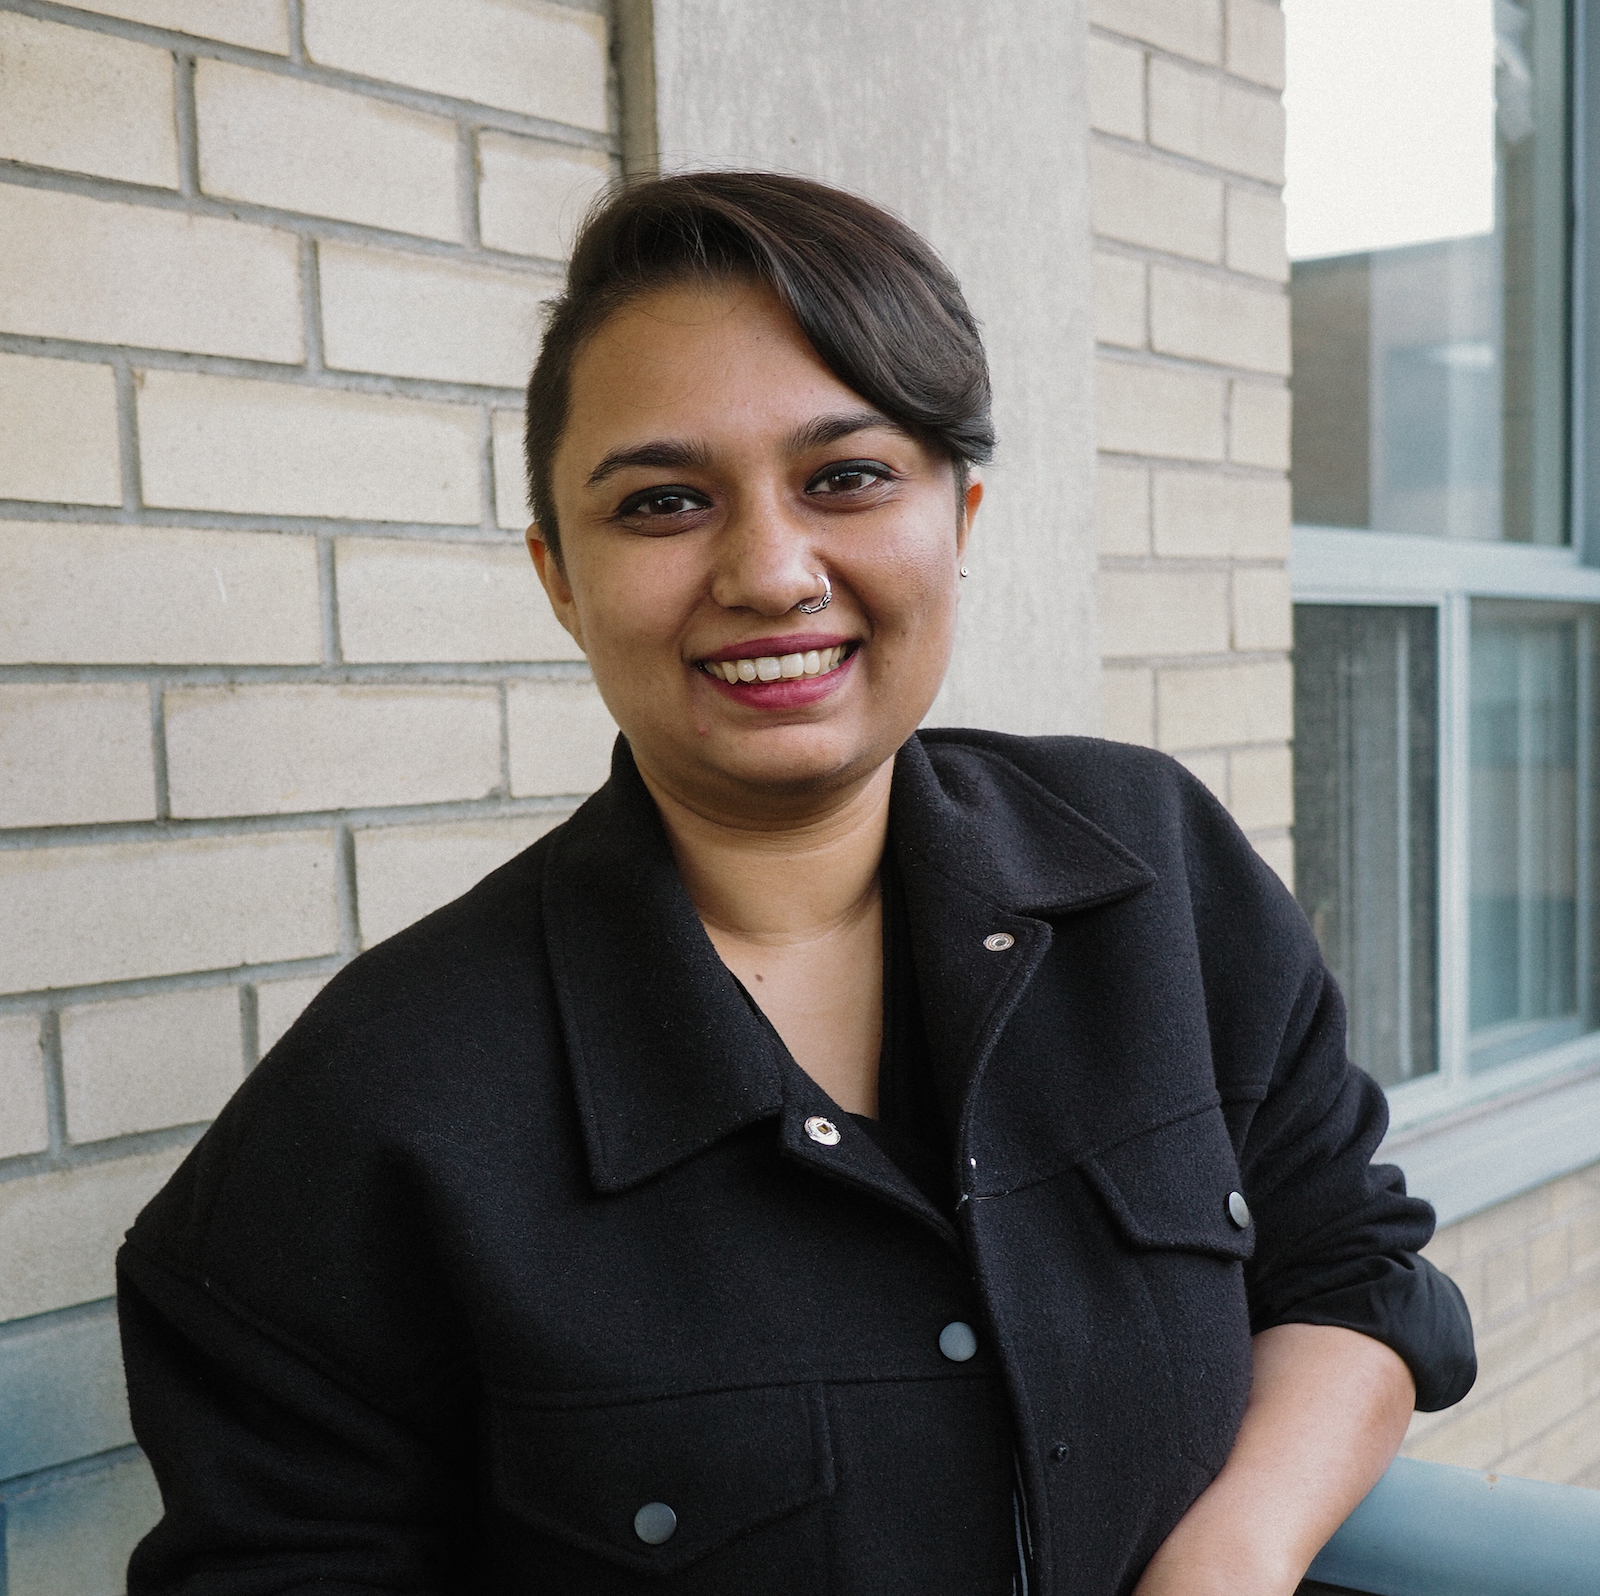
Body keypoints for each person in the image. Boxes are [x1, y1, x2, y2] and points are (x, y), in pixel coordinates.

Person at [117, 172, 1475, 1596]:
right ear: (559, 578)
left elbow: (1351, 1268)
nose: (770, 572)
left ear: (961, 516)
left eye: (846, 478)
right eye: (663, 502)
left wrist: (1232, 1555)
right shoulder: (378, 1107)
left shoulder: (1152, 868)